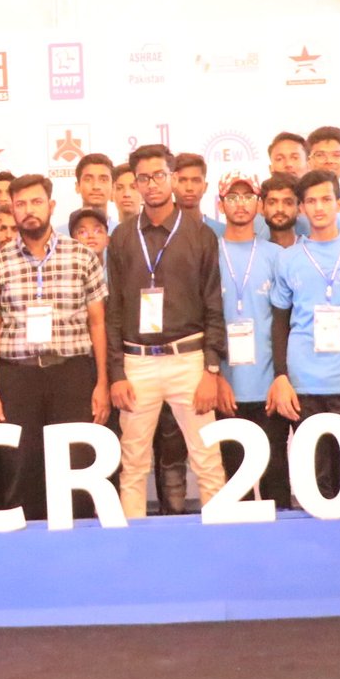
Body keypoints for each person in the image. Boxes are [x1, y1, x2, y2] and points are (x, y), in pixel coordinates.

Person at [107, 144, 227, 518]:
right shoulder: (122, 237)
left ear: (172, 178)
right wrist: (116, 373)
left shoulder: (200, 235)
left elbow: (213, 305)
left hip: (188, 359)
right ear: (135, 183)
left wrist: (211, 369)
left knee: (208, 460)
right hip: (137, 362)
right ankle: (131, 544)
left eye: (159, 175)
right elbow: (114, 310)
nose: (152, 184)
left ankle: (221, 540)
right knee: (132, 466)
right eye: (143, 178)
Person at [0, 173, 109, 518]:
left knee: (77, 464)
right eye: (20, 204)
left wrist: (102, 382)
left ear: (51, 205)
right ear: (12, 210)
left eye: (36, 202)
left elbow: (98, 322)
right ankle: (27, 543)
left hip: (71, 374)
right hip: (18, 377)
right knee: (21, 465)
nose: (29, 210)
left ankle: (79, 541)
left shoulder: (82, 256)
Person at [268, 169, 340, 498]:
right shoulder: (287, 259)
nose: (318, 207)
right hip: (302, 385)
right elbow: (279, 322)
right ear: (301, 208)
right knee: (315, 482)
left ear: (339, 203)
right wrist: (281, 377)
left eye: (325, 199)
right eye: (310, 201)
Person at [211, 171, 288, 506]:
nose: (240, 204)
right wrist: (215, 377)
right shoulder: (208, 254)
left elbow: (285, 322)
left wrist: (281, 378)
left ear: (259, 204)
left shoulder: (276, 255)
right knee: (234, 484)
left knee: (276, 477)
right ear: (220, 204)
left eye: (247, 197)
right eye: (232, 197)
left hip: (268, 387)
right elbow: (203, 321)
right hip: (225, 388)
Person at [306, 126, 340, 223]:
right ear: (308, 162)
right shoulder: (298, 202)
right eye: (320, 155)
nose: (329, 161)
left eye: (336, 155)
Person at [56, 153, 115, 235]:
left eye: (103, 180)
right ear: (77, 186)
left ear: (113, 187)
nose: (96, 186)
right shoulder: (59, 235)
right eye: (88, 179)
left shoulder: (122, 232)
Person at [261, 173, 300, 249]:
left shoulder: (312, 251)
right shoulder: (257, 252)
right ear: (262, 208)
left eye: (288, 203)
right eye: (272, 203)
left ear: (299, 209)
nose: (280, 209)